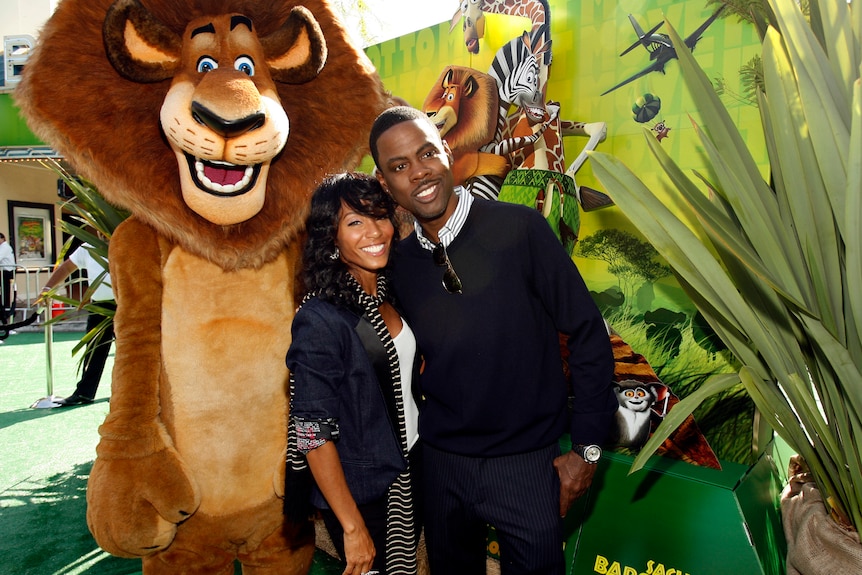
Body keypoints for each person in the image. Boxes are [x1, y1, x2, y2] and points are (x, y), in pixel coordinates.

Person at [369, 105, 617, 574]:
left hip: (527, 467)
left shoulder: (520, 229)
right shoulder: (399, 265)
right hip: (441, 466)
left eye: (426, 154)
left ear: (447, 151)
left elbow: (587, 334)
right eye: (399, 167)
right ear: (386, 184)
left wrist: (586, 449)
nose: (418, 172)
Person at [284, 172, 421, 575]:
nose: (374, 231)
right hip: (363, 492)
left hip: (410, 468)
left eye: (378, 216)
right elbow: (311, 433)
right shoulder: (320, 318)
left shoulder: (388, 292)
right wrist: (351, 525)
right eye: (354, 222)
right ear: (331, 237)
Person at [37, 242, 115, 406]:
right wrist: (47, 288)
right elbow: (66, 268)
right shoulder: (87, 248)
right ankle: (85, 393)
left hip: (128, 304)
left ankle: (125, 393)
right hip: (99, 306)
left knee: (129, 352)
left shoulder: (129, 240)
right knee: (94, 350)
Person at [0, 232, 15, 326]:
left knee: (6, 292)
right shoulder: (3, 247)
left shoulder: (4, 247)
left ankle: (6, 311)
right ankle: (5, 310)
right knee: (5, 292)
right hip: (4, 271)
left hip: (7, 272)